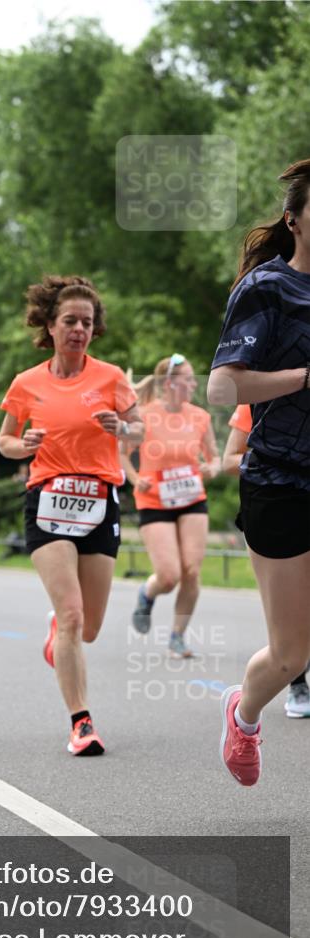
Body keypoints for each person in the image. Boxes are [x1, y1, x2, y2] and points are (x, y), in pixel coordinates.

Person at [0, 274, 143, 756]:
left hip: (100, 503)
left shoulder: (111, 378)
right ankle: (81, 723)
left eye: (87, 322)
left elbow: (140, 431)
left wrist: (121, 425)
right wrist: (26, 445)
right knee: (73, 614)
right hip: (48, 501)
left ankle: (58, 631)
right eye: (70, 321)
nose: (79, 329)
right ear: (50, 326)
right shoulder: (27, 383)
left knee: (91, 627)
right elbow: (6, 441)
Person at [207, 158, 310, 786]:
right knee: (294, 651)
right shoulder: (268, 287)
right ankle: (244, 713)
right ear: (295, 220)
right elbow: (223, 388)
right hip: (281, 480)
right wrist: (305, 378)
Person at [124, 355, 220, 657]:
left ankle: (177, 636)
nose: (194, 384)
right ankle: (147, 592)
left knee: (191, 571)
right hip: (154, 500)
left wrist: (212, 468)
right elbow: (121, 453)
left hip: (192, 498)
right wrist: (135, 478)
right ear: (169, 383)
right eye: (189, 379)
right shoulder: (145, 415)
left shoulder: (200, 417)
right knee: (169, 575)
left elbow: (214, 457)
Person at [223, 404, 310, 719]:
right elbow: (229, 459)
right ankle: (295, 683)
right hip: (280, 508)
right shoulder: (264, 394)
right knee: (291, 643)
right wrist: (283, 461)